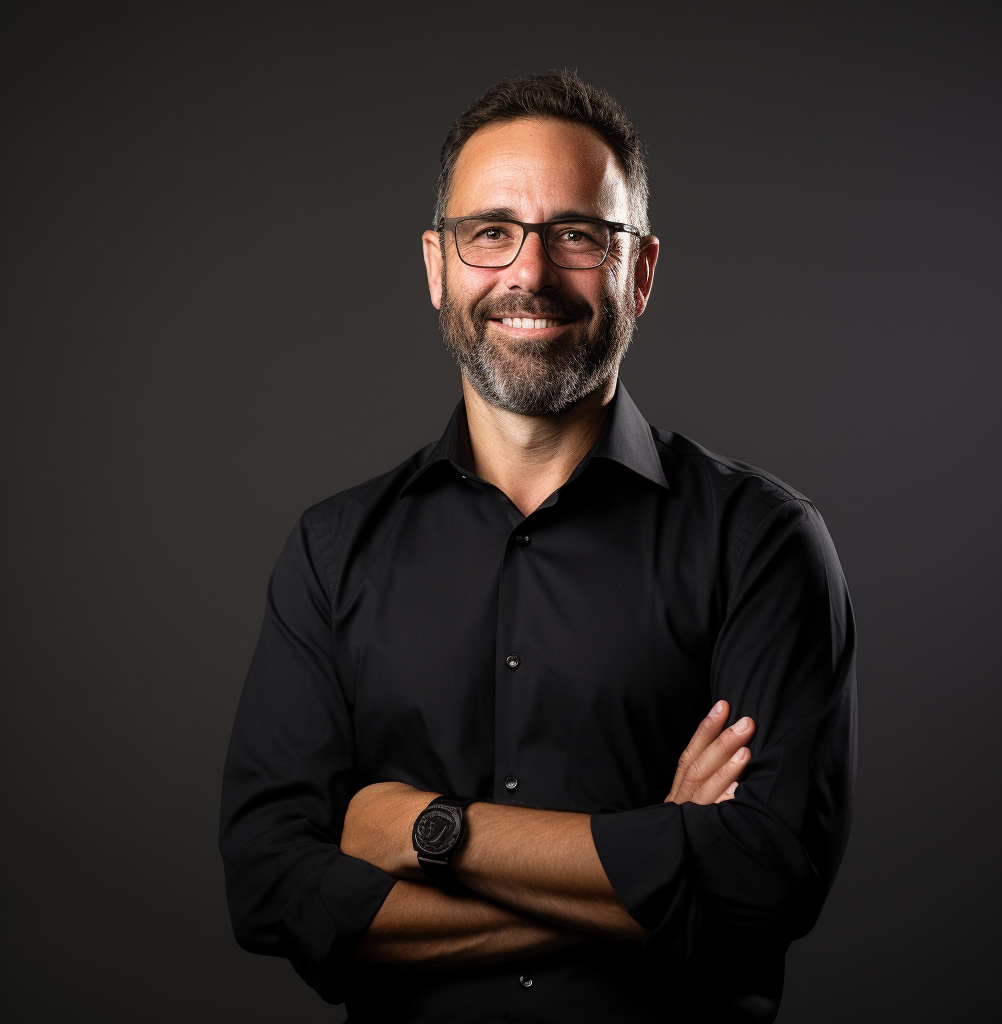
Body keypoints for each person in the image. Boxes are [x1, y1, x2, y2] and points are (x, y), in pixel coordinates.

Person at [219, 72, 857, 1023]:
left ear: (639, 272)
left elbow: (764, 878)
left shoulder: (763, 544)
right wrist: (656, 858)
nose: (529, 273)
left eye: (577, 235)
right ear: (437, 266)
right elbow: (271, 888)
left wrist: (428, 831)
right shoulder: (332, 550)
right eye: (491, 232)